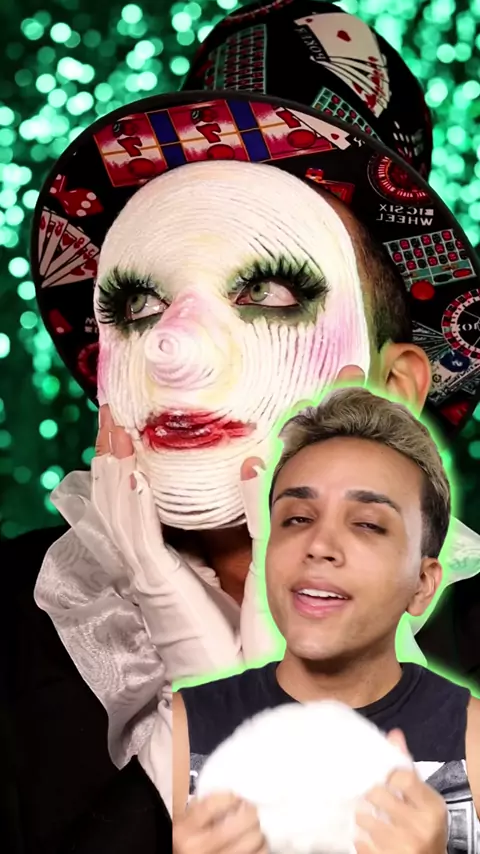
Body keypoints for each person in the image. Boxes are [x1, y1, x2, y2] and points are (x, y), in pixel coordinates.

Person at [5, 0, 480, 851]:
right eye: (138, 305)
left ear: (394, 390)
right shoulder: (15, 623)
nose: (174, 349)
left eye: (268, 293)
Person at [172, 386, 480, 854]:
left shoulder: (471, 735)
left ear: (422, 584)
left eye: (368, 524)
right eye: (297, 518)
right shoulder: (183, 726)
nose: (319, 545)